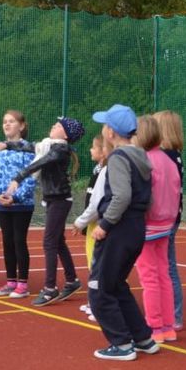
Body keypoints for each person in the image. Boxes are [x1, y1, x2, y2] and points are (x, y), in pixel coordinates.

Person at [88, 103, 157, 361]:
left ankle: (121, 344)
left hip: (118, 229)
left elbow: (121, 196)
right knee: (116, 285)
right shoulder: (142, 157)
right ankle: (143, 338)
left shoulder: (118, 157)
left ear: (111, 132)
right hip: (135, 228)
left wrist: (105, 225)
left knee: (99, 288)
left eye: (105, 125)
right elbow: (147, 199)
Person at [4, 117, 86, 306]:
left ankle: (50, 288)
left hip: (60, 200)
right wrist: (6, 145)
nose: (53, 125)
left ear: (65, 135)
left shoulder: (60, 150)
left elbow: (41, 162)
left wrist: (19, 177)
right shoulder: (49, 145)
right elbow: (29, 146)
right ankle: (72, 280)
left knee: (49, 242)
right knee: (57, 242)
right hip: (53, 199)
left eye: (57, 125)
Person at [133, 114, 181, 343]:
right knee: (163, 275)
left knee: (149, 278)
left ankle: (155, 326)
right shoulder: (169, 161)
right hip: (166, 224)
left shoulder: (145, 162)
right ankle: (169, 326)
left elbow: (143, 195)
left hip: (148, 226)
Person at [0, 111, 36, 298]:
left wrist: (16, 197)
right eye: (4, 121)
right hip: (2, 203)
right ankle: (11, 282)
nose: (6, 124)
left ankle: (22, 284)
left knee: (18, 240)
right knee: (7, 242)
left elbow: (32, 177)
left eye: (11, 121)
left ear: (21, 126)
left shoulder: (28, 149)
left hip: (22, 204)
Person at [71, 134, 109, 321]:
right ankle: (94, 301)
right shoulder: (97, 171)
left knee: (100, 266)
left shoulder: (106, 172)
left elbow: (97, 204)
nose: (90, 150)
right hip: (93, 223)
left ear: (103, 152)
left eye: (94, 147)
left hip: (100, 224)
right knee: (92, 263)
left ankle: (100, 305)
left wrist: (80, 221)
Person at [155, 109, 186, 331]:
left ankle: (173, 314)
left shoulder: (166, 156)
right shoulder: (174, 155)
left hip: (165, 218)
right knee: (165, 266)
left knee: (167, 267)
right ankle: (170, 313)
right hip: (171, 216)